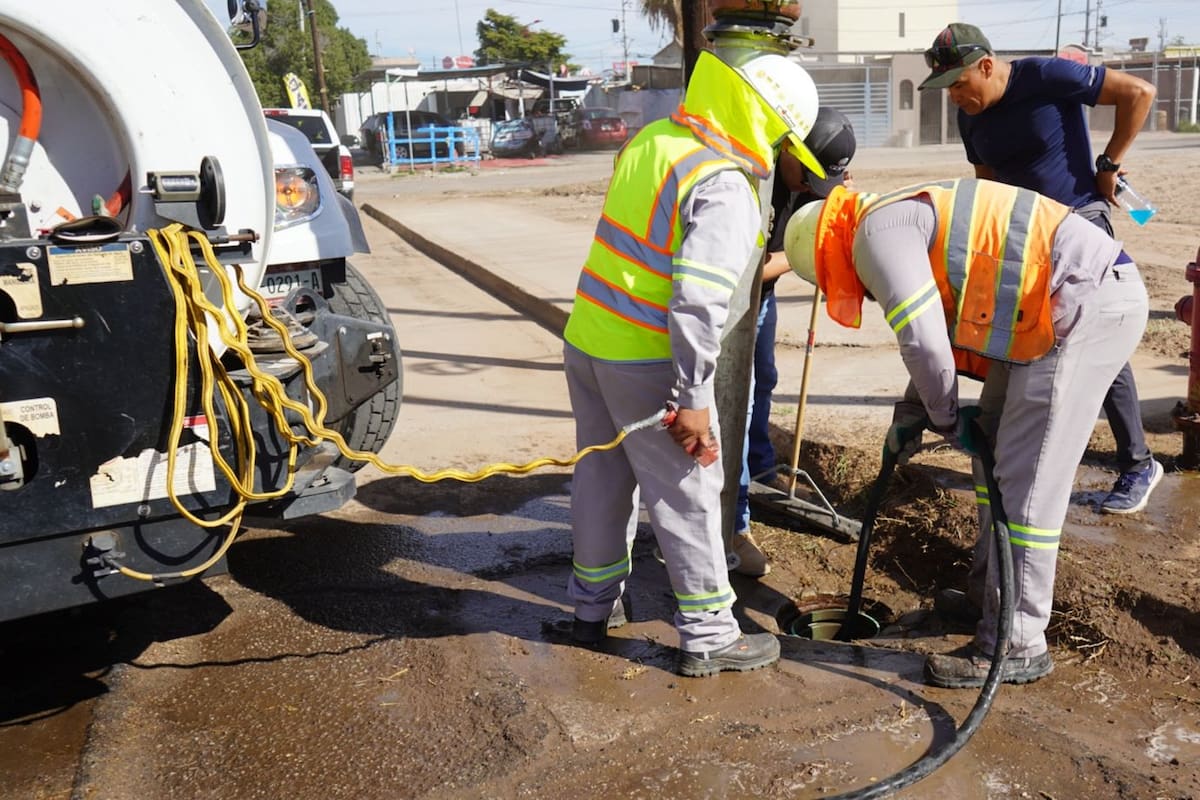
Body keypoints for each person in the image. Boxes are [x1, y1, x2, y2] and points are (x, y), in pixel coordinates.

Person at [783, 178, 1149, 688]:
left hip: (1083, 303)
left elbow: (926, 342)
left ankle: (1018, 643)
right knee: (995, 458)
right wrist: (913, 410)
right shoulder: (890, 215)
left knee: (1028, 489)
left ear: (828, 255)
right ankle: (987, 599)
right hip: (1049, 304)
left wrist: (947, 419)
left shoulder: (872, 235)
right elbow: (934, 325)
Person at [561, 50, 825, 677]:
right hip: (647, 362)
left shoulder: (657, 140)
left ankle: (591, 612)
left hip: (588, 340)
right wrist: (694, 398)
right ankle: (710, 636)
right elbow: (698, 303)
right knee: (690, 493)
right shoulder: (725, 184)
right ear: (771, 126)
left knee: (601, 481)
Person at [919, 22, 1162, 516]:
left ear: (985, 65)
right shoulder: (973, 117)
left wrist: (1109, 162)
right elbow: (987, 188)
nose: (954, 99)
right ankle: (1016, 451)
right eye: (946, 90)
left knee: (1086, 336)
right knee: (1026, 340)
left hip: (1079, 224)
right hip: (1025, 240)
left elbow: (1139, 91)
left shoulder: (1045, 77)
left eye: (959, 85)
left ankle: (1138, 463)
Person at [731, 106, 858, 578]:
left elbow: (832, 198)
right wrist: (804, 252)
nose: (810, 189)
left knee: (765, 381)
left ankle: (761, 470)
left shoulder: (813, 176)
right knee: (736, 404)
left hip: (761, 302)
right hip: (731, 307)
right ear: (789, 150)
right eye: (808, 178)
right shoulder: (752, 181)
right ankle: (734, 523)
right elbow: (746, 274)